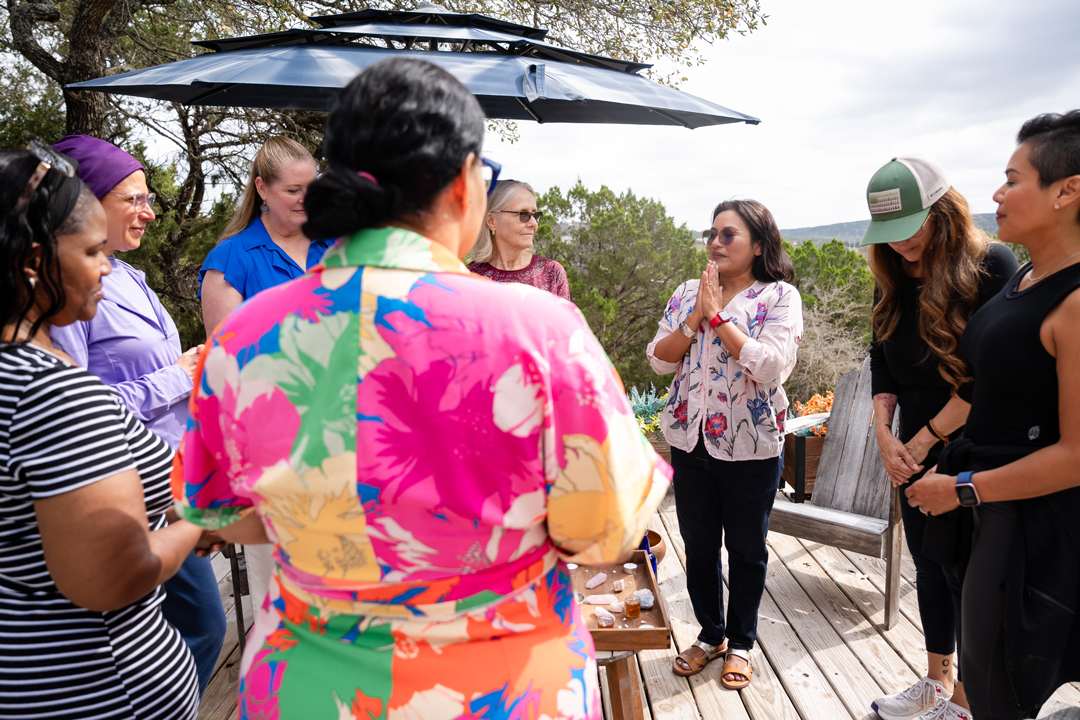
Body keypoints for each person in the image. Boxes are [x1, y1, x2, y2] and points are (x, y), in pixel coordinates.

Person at [173, 58, 670, 719]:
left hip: (311, 689)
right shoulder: (541, 331)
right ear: (465, 185)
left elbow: (223, 513)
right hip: (505, 688)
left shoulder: (247, 334)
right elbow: (608, 532)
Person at [0, 144, 201, 718]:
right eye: (91, 251)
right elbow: (110, 579)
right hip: (94, 688)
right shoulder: (53, 395)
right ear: (36, 261)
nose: (106, 268)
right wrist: (198, 524)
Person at [908, 111, 1080, 720]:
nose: (997, 194)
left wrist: (961, 490)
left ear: (1068, 189)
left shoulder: (1076, 300)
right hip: (991, 512)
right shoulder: (1030, 277)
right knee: (985, 679)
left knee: (998, 686)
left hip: (1034, 527)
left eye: (1013, 179)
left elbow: (1077, 456)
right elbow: (990, 390)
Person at [49, 134, 228, 698]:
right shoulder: (71, 291)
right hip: (117, 496)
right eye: (133, 199)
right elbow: (77, 409)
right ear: (84, 202)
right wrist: (181, 373)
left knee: (187, 626)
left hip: (167, 486)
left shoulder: (127, 275)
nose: (149, 211)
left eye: (150, 198)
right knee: (201, 624)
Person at [862, 156, 1018, 720]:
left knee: (971, 573)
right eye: (890, 233)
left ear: (942, 212)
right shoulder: (891, 274)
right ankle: (936, 681)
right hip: (910, 445)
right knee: (929, 564)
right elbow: (880, 357)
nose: (901, 243)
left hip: (973, 446)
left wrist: (925, 441)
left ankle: (967, 701)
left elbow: (990, 376)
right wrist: (884, 433)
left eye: (911, 227)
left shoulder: (991, 264)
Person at [647, 199, 802, 688]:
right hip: (689, 439)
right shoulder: (688, 291)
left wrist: (717, 319)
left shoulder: (778, 297)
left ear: (758, 244)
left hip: (752, 446)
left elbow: (770, 364)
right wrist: (695, 314)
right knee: (697, 543)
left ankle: (740, 644)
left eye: (728, 234)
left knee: (746, 547)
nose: (715, 242)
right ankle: (710, 634)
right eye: (710, 233)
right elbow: (659, 360)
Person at [198, 135, 331, 609]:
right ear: (262, 189)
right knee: (279, 588)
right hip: (270, 447)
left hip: (340, 441)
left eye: (312, 188)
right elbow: (223, 362)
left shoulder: (335, 246)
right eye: (293, 190)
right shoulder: (232, 258)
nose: (306, 199)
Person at [467, 179, 570, 299]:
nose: (534, 224)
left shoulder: (552, 273)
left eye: (535, 215)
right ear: (492, 221)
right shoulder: (468, 278)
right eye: (523, 214)